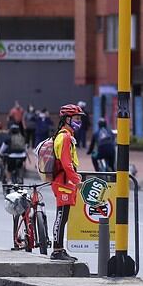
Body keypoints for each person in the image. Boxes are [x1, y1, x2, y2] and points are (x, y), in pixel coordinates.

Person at [50, 104, 85, 262]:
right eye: (76, 118)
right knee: (61, 216)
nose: (79, 121)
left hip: (66, 181)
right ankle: (57, 250)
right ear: (67, 119)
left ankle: (59, 249)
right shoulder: (64, 137)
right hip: (63, 182)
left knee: (63, 216)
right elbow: (66, 163)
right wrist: (77, 180)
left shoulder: (67, 136)